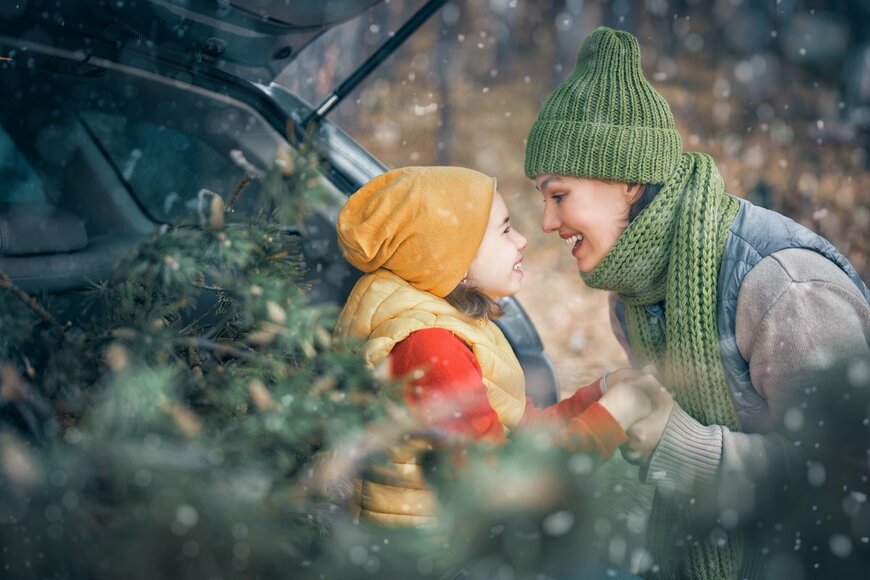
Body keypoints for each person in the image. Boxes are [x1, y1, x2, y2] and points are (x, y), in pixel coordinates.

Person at [523, 26, 870, 579]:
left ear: (629, 183)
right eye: (543, 199)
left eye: (559, 195)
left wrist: (680, 445)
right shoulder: (634, 295)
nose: (546, 222)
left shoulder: (785, 288)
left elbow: (849, 480)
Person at [333, 165, 655, 527]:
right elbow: (502, 489)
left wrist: (602, 392)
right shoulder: (428, 346)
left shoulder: (446, 325)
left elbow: (521, 427)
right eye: (504, 230)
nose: (521, 240)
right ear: (454, 256)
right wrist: (615, 416)